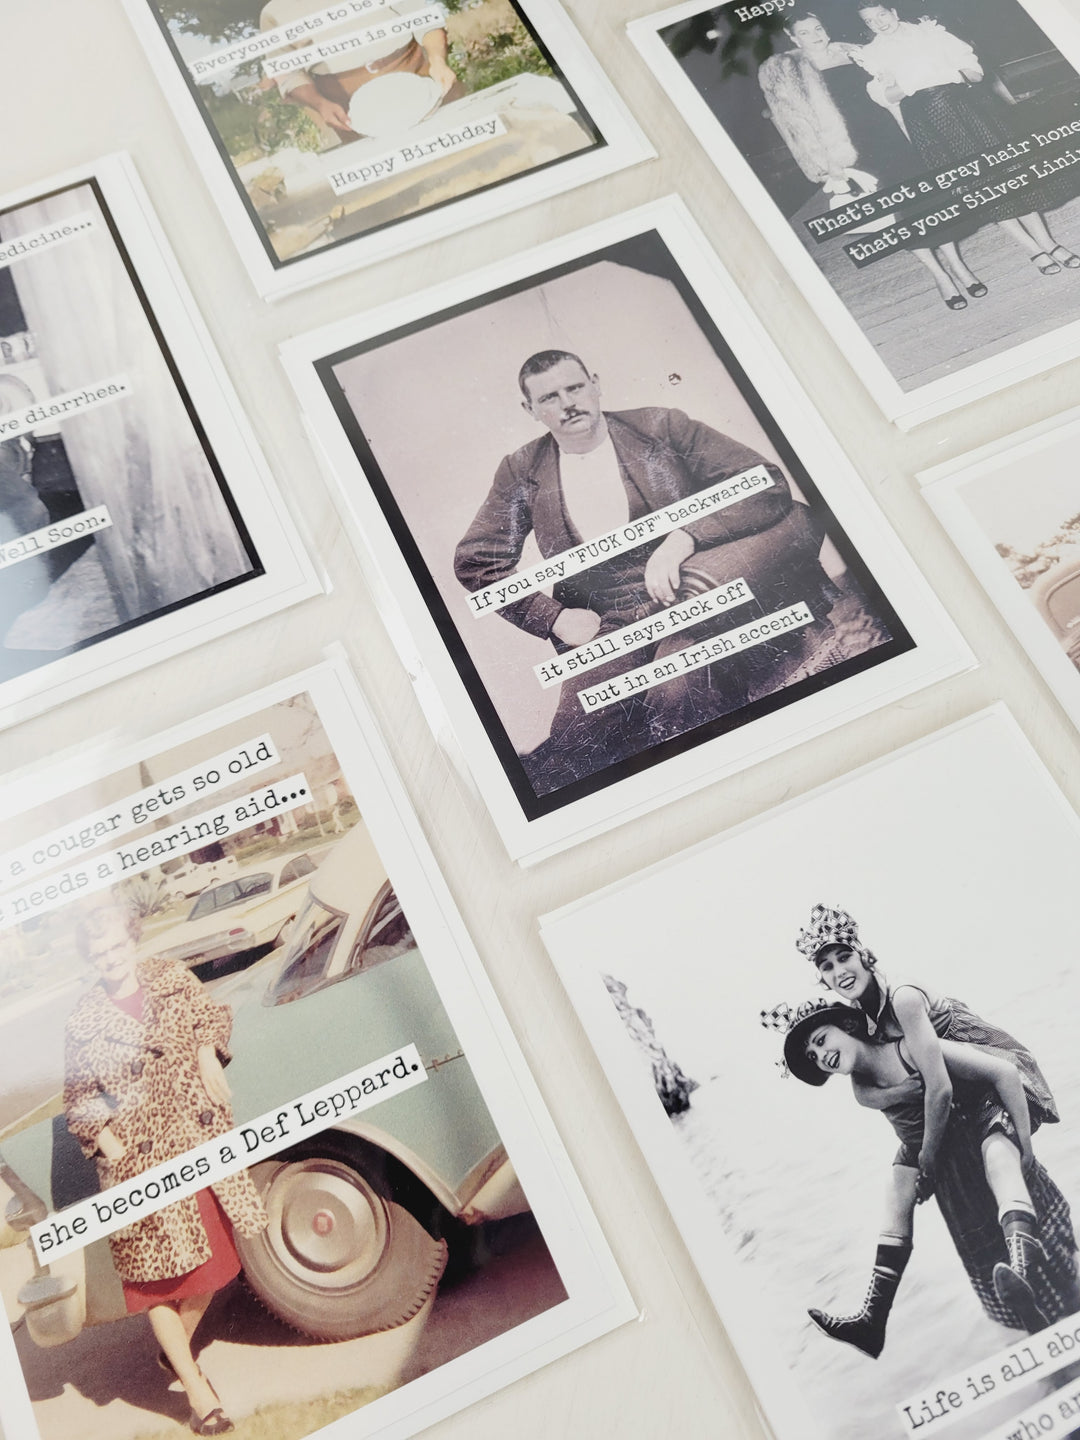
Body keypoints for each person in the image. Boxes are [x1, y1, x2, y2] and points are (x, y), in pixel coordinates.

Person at [453, 350, 839, 792]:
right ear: (530, 409)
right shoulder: (521, 470)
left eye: (575, 388)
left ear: (595, 384)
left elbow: (762, 479)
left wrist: (686, 536)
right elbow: (476, 561)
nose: (568, 404)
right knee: (576, 742)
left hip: (691, 590)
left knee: (676, 695)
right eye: (549, 398)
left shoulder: (660, 426)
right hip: (610, 618)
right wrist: (553, 618)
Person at [764, 994, 1079, 1355]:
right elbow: (907, 1128)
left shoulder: (911, 1048)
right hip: (954, 1182)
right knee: (905, 1193)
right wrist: (906, 1116)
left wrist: (1024, 1145)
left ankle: (1038, 1284)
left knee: (1062, 1275)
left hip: (984, 1144)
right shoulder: (862, 1089)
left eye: (821, 1040)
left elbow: (990, 1075)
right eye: (813, 1056)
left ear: (848, 1025)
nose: (822, 1055)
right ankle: (872, 1318)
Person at [63, 900, 269, 1435]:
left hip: (197, 1144)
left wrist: (205, 1052)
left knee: (217, 1266)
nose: (110, 957)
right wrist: (112, 1147)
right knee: (155, 1285)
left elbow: (213, 1015)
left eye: (116, 945)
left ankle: (174, 1350)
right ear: (90, 957)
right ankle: (198, 1392)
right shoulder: (83, 1022)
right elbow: (79, 1100)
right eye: (99, 952)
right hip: (138, 1165)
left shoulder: (172, 977)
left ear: (131, 939)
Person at [760, 11, 988, 309]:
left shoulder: (853, 52)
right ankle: (939, 275)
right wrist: (832, 169)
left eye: (818, 28)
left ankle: (958, 266)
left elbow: (886, 87)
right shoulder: (785, 70)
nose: (816, 35)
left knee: (927, 200)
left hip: (889, 134)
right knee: (896, 212)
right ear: (792, 37)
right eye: (805, 32)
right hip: (852, 151)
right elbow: (796, 127)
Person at [854, 4, 1080, 275]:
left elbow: (975, 72)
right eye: (869, 21)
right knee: (975, 185)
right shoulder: (872, 54)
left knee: (1007, 172)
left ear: (893, 11)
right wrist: (909, 84)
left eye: (881, 14)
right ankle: (1032, 249)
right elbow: (882, 97)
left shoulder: (930, 32)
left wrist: (951, 74)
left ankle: (1048, 243)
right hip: (927, 123)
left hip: (966, 109)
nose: (879, 23)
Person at [259, 0, 465, 142]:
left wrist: (438, 61)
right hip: (351, 111)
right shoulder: (274, 11)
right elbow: (288, 74)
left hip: (419, 81)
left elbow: (423, 19)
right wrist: (320, 104)